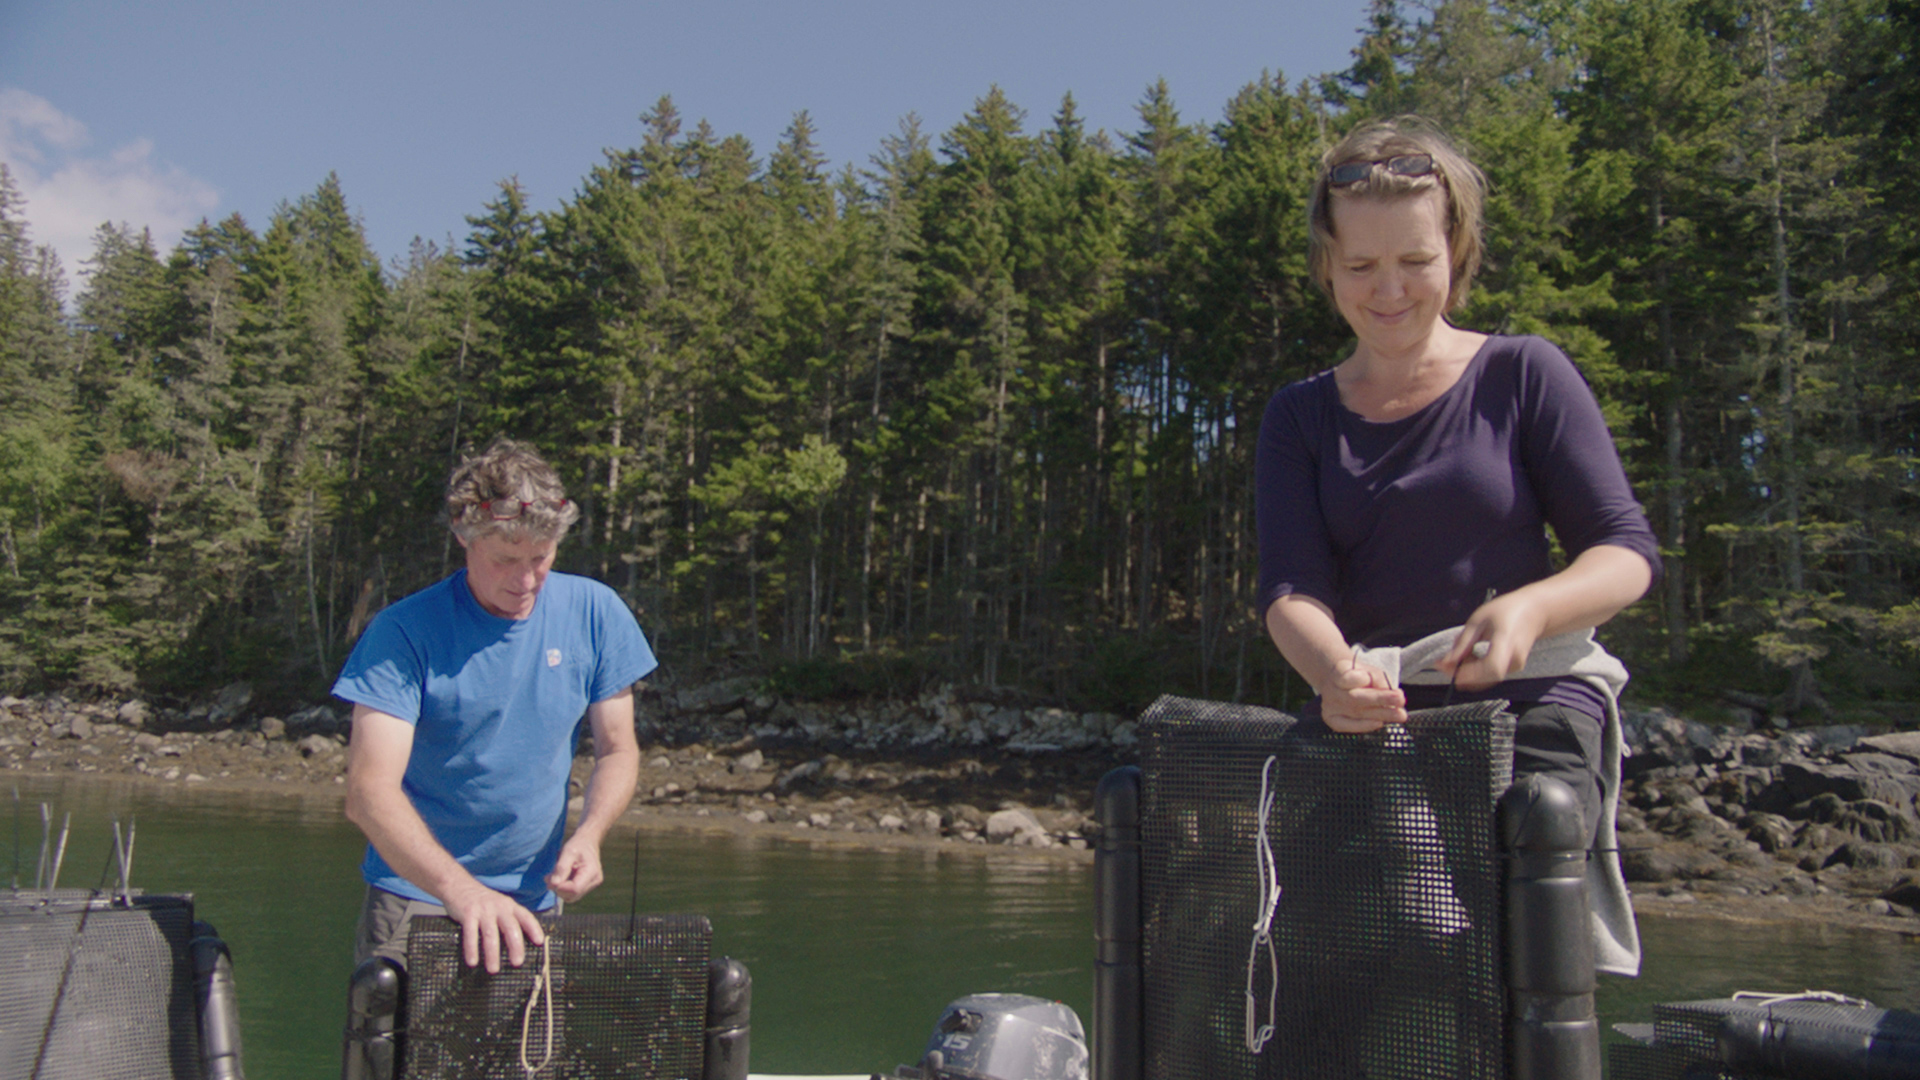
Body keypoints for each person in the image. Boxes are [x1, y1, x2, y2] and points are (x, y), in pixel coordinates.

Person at [1255, 117, 1661, 976]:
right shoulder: (1297, 415)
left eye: (1414, 260)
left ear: (1457, 250)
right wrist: (1335, 677)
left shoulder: (1526, 373)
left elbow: (1625, 552)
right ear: (1326, 266)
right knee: (1345, 978)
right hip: (1372, 714)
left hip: (1533, 707)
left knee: (1513, 954)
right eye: (1361, 266)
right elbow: (1292, 590)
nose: (1389, 289)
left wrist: (1530, 606)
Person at [335, 439, 655, 974]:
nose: (526, 581)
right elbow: (368, 795)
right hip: (417, 900)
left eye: (540, 559)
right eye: (506, 560)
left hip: (536, 902)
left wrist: (589, 835)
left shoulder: (597, 612)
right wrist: (461, 891)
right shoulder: (403, 632)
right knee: (399, 1060)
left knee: (531, 1060)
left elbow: (618, 750)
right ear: (465, 539)